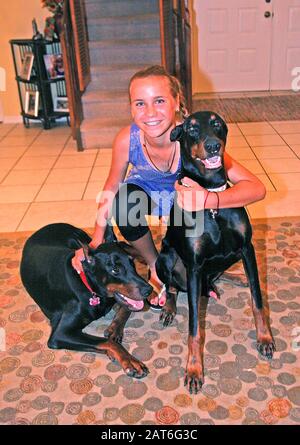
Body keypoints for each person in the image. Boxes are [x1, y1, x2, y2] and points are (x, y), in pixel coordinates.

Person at [72, 65, 266, 309]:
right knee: (124, 203)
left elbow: (257, 188)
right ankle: (155, 265)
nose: (150, 112)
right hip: (148, 194)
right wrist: (96, 240)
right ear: (131, 107)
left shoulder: (193, 135)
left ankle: (207, 269)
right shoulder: (126, 139)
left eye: (160, 100)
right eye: (140, 103)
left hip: (186, 202)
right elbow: (111, 186)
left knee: (199, 249)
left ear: (177, 102)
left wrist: (209, 200)